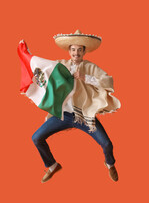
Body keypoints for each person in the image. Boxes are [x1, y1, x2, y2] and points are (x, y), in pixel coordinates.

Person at [18, 29, 121, 183]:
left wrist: (86, 77)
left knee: (107, 143)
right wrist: (29, 56)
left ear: (84, 51)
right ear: (69, 51)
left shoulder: (90, 67)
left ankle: (110, 163)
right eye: (73, 49)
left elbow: (107, 81)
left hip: (84, 115)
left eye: (79, 50)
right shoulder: (60, 65)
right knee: (36, 138)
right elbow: (44, 70)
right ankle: (52, 165)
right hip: (63, 115)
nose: (76, 53)